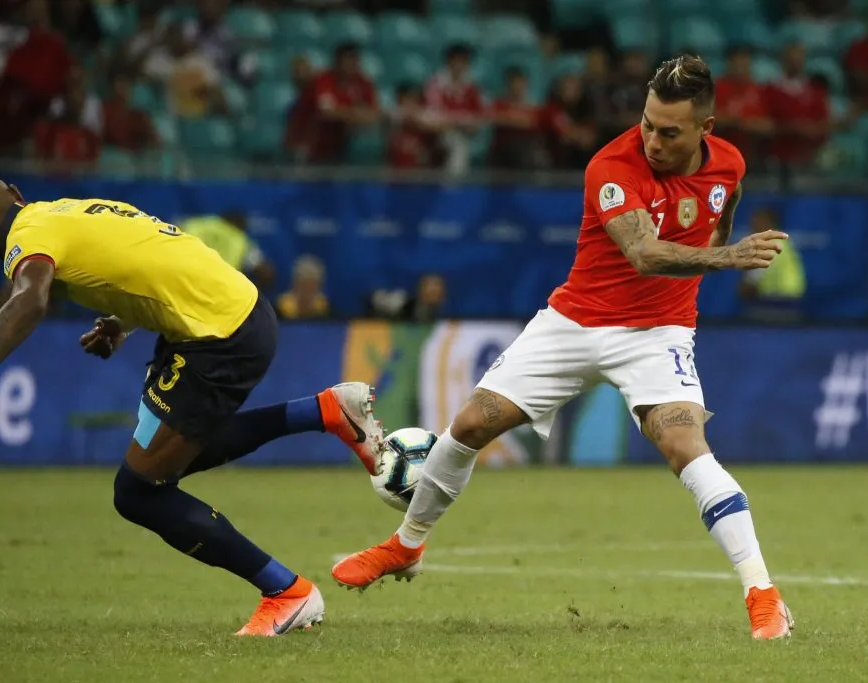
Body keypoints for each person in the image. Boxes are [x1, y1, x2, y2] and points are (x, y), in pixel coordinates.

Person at [332, 55, 795, 641]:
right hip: (574, 323)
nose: (652, 138)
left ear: (707, 128)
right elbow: (645, 255)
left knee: (685, 445)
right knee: (471, 424)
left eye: (669, 130)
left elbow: (720, 209)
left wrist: (721, 243)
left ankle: (764, 595)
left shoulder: (729, 162)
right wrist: (724, 257)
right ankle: (406, 546)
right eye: (648, 122)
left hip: (657, 333)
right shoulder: (611, 164)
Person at [0, 169, 386, 637]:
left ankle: (287, 592)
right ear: (15, 193)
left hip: (218, 337)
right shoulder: (73, 209)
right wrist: (122, 320)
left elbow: (29, 299)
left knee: (140, 492)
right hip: (229, 314)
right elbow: (155, 260)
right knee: (161, 471)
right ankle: (325, 411)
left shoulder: (29, 240)